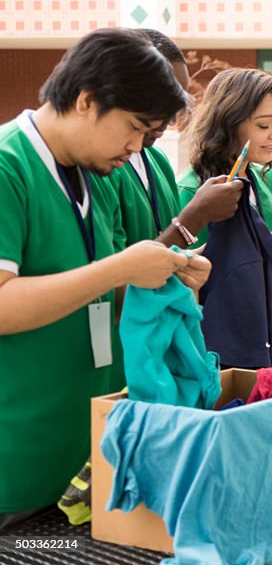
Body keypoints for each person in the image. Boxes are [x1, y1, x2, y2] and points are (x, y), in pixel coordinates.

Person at [0, 29, 212, 529]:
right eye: (134, 128)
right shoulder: (9, 166)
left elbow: (93, 292)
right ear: (86, 99)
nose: (137, 146)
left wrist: (172, 279)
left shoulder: (91, 172)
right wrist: (120, 267)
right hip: (18, 473)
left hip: (89, 460)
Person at [177, 67, 272, 285]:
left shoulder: (266, 179)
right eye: (263, 125)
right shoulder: (189, 192)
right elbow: (184, 276)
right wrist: (264, 252)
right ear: (228, 124)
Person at [107, 29, 242, 248]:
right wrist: (194, 218)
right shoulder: (102, 167)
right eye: (160, 104)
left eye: (176, 105)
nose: (168, 121)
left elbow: (174, 258)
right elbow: (116, 275)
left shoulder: (157, 159)